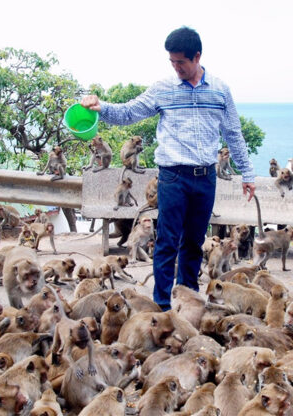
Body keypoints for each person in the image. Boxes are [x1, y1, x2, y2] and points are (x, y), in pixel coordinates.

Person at [81, 27, 256, 311]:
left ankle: (188, 304)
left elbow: (234, 134)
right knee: (166, 242)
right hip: (173, 177)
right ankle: (162, 306)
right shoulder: (164, 89)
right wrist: (100, 107)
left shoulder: (220, 90)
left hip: (205, 178)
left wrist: (247, 175)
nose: (176, 68)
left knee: (193, 243)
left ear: (197, 56)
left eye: (181, 62)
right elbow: (129, 112)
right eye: (172, 62)